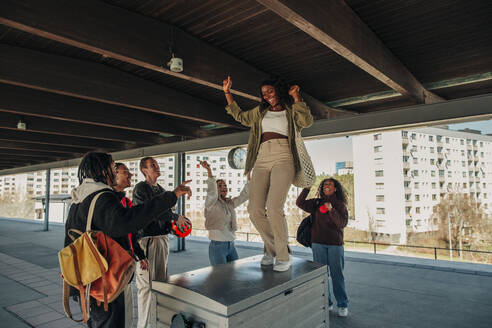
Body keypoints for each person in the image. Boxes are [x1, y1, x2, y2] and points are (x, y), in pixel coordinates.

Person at [64, 152, 191, 328]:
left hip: (86, 278)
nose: (116, 172)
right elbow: (129, 221)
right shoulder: (102, 197)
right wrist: (173, 195)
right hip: (106, 280)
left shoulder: (79, 199)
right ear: (103, 170)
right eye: (113, 167)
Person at [222, 75, 313, 271]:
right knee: (254, 210)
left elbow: (306, 121)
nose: (267, 96)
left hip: (284, 156)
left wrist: (296, 96)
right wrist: (227, 93)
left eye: (270, 91)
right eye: (264, 94)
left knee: (274, 208)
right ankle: (273, 249)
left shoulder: (290, 111)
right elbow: (240, 116)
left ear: (278, 91)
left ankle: (281, 256)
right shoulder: (260, 112)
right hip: (261, 158)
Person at [133, 156, 190, 328]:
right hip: (148, 241)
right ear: (144, 170)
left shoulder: (162, 190)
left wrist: (177, 227)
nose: (157, 167)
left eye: (157, 164)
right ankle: (144, 325)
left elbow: (165, 218)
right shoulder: (140, 189)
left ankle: (156, 323)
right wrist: (175, 216)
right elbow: (151, 212)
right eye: (152, 165)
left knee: (160, 285)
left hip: (162, 241)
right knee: (146, 288)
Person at [296, 178, 349, 317]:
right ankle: (328, 302)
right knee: (322, 275)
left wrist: (331, 210)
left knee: (337, 276)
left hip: (335, 245)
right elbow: (299, 203)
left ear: (335, 188)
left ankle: (342, 305)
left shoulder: (340, 205)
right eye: (325, 184)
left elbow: (341, 223)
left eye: (330, 184)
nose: (326, 186)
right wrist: (306, 188)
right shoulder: (317, 202)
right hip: (318, 244)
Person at [200, 160, 249, 266]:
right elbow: (211, 192)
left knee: (234, 274)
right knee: (220, 278)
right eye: (220, 185)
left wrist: (249, 176)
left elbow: (243, 196)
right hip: (217, 246)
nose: (224, 187)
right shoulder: (211, 203)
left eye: (225, 185)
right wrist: (209, 170)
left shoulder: (229, 203)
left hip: (231, 245)